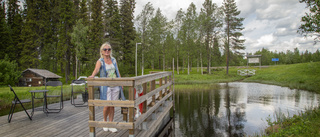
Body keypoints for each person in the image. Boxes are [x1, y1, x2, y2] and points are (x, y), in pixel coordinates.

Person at [88, 42, 125, 133]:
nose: (107, 51)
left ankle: (111, 124)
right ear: (102, 51)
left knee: (113, 106)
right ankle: (105, 122)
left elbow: (117, 71)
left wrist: (121, 82)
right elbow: (96, 69)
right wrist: (92, 75)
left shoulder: (114, 60)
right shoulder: (100, 61)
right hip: (106, 86)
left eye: (109, 49)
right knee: (107, 105)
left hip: (115, 85)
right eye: (105, 49)